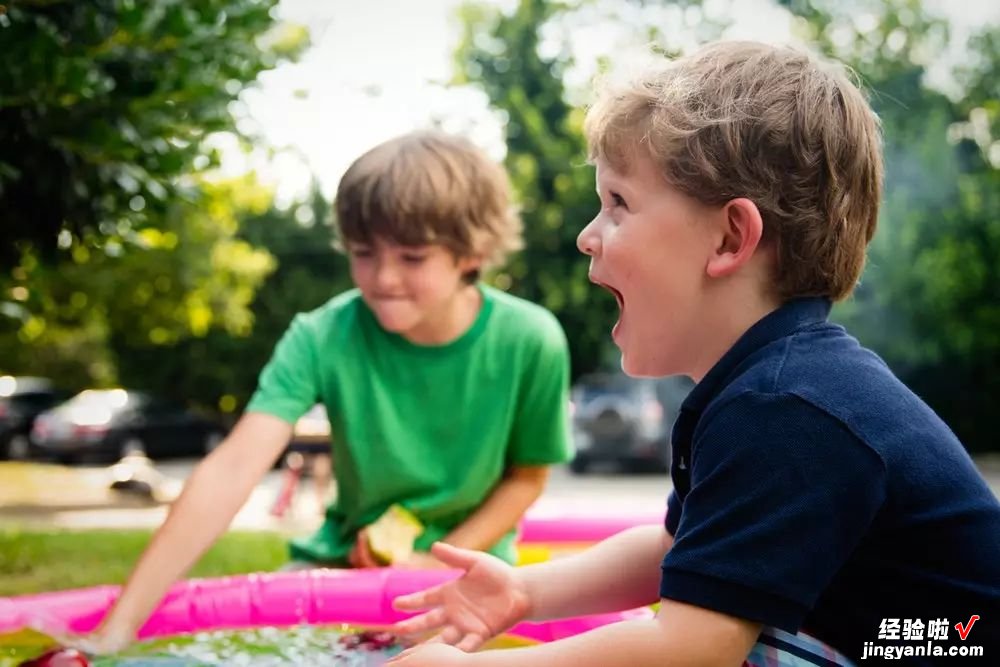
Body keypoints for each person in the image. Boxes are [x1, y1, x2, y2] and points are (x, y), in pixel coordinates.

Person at [384, 41, 1000, 666]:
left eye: (618, 203)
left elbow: (689, 651)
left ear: (731, 237)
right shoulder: (765, 388)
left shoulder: (788, 409)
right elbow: (674, 550)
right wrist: (523, 591)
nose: (586, 236)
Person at [74, 130, 574, 653]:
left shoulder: (530, 339)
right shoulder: (320, 335)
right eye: (363, 253)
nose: (383, 278)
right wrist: (120, 626)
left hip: (471, 572)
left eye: (412, 257)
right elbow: (233, 467)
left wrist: (432, 560)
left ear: (473, 252)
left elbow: (526, 477)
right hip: (340, 563)